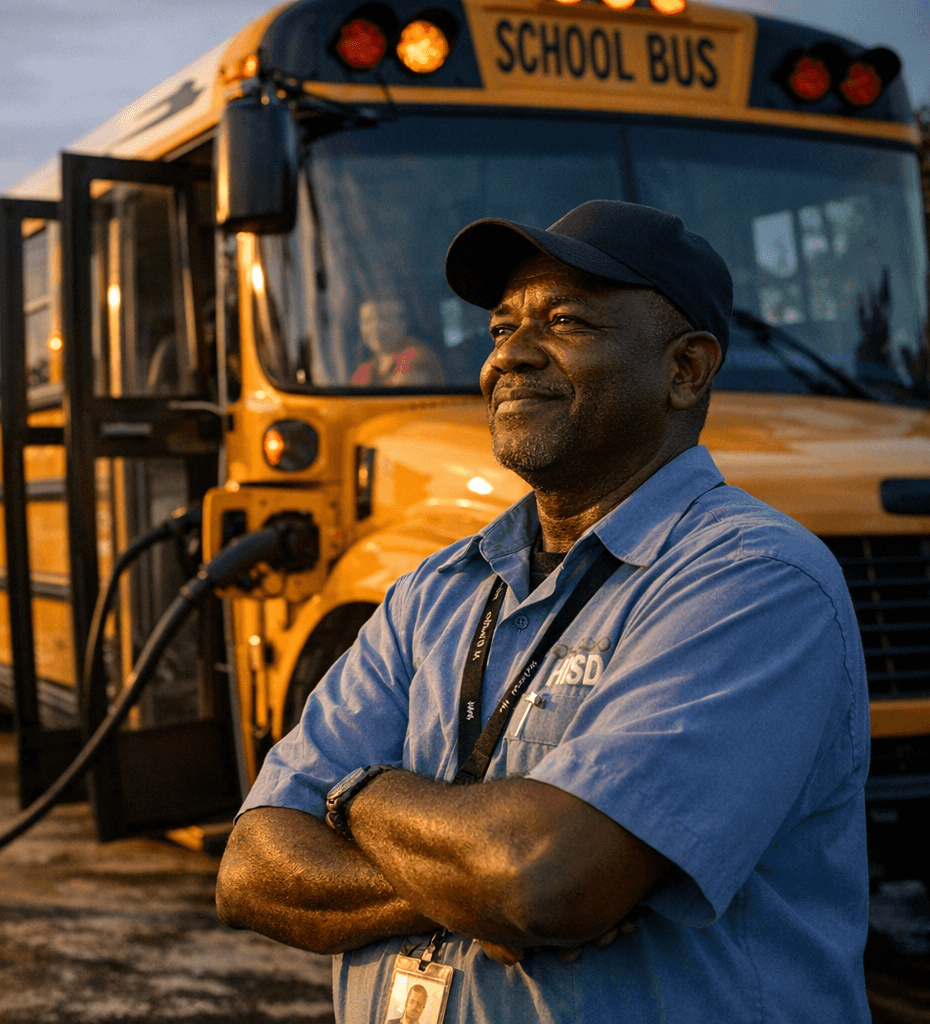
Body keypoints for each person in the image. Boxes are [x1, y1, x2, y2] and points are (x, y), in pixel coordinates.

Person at [216, 200, 870, 1022]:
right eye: (498, 330)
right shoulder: (437, 590)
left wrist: (357, 797)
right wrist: (477, 885)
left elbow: (544, 878)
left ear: (686, 370)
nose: (509, 359)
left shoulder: (754, 580)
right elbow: (253, 869)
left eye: (566, 321)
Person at [350, 298, 443, 387]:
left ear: (402, 323)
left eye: (384, 319)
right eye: (367, 321)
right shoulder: (367, 369)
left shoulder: (416, 359)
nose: (375, 327)